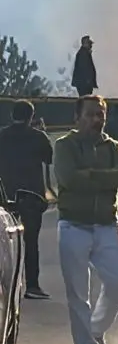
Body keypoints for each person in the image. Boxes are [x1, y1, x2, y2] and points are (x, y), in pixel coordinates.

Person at [55, 95, 118, 344]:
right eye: (90, 114)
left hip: (107, 224)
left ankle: (96, 330)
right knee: (78, 295)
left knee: (117, 283)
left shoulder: (111, 146)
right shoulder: (65, 146)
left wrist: (89, 175)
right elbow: (69, 179)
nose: (96, 119)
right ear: (77, 118)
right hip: (73, 226)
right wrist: (105, 179)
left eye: (100, 114)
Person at [0, 99, 54, 299]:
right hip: (32, 194)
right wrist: (43, 132)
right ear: (31, 116)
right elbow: (49, 159)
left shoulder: (2, 135)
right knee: (31, 241)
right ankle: (32, 285)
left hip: (6, 195)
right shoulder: (38, 136)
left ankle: (5, 286)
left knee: (4, 243)